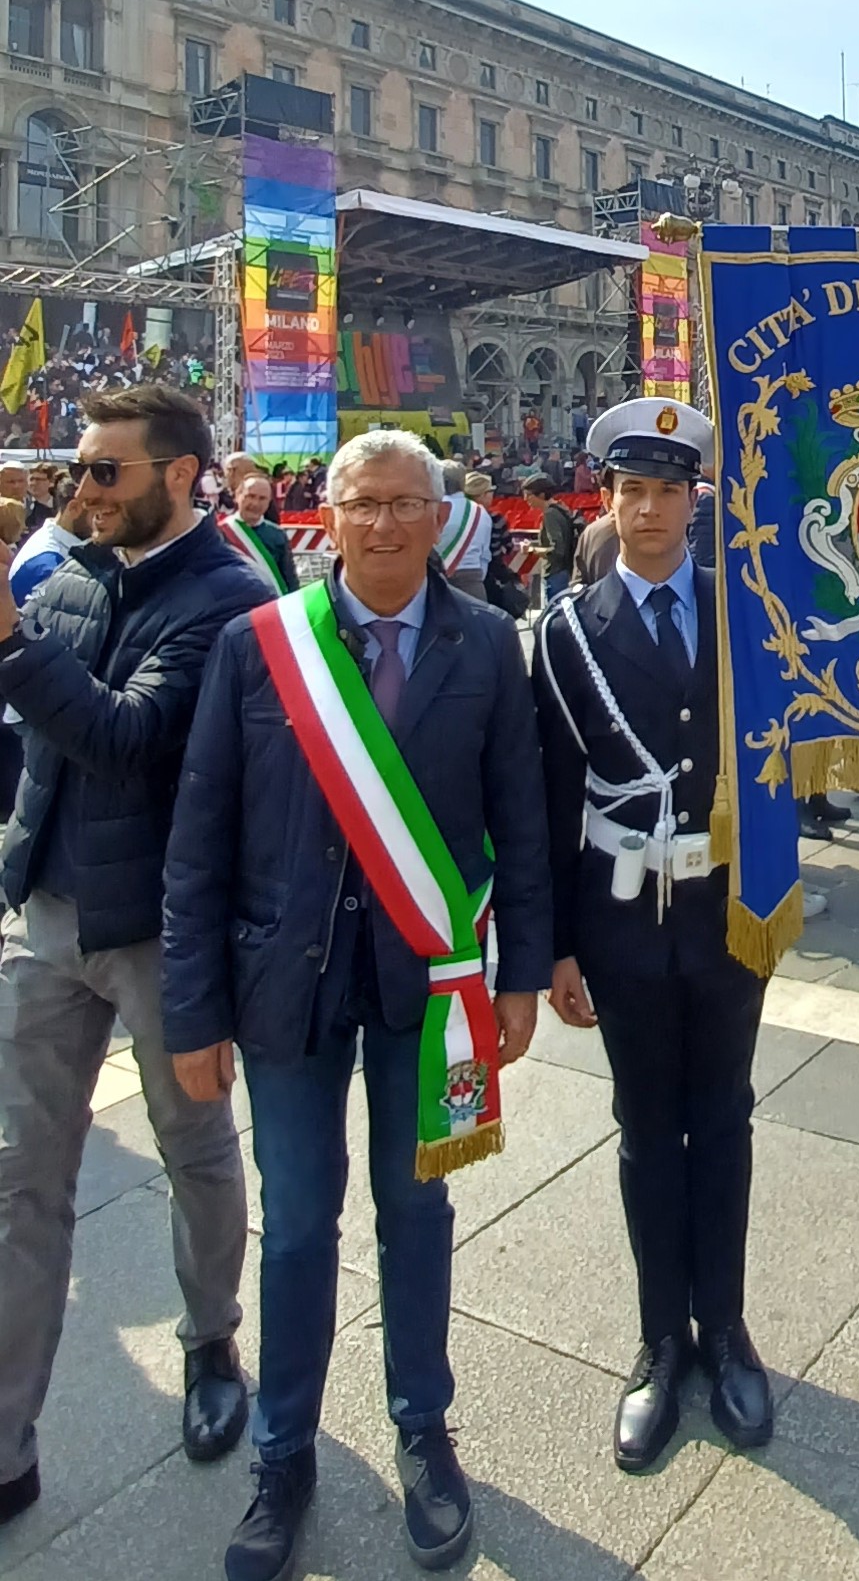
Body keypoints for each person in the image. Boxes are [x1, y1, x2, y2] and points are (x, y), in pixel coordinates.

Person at [165, 429, 552, 1580]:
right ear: (322, 517)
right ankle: (284, 1451)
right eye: (360, 503)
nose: (382, 523)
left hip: (426, 992)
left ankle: (424, 1428)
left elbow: (519, 823)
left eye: (404, 504)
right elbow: (199, 839)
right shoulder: (258, 646)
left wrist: (520, 974)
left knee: (418, 1213)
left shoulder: (488, 645)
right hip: (282, 991)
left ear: (440, 519)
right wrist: (192, 1014)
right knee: (295, 1228)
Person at [0, 386, 267, 1530]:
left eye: (105, 471)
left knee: (196, 1146)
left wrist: (11, 645)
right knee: (20, 1178)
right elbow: (33, 746)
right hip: (51, 916)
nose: (79, 491)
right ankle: (8, 1429)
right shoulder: (67, 576)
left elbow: (124, 735)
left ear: (182, 474)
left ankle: (212, 1340)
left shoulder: (232, 600)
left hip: (162, 932)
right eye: (76, 471)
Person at [535, 396, 775, 1475]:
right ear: (609, 498)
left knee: (723, 1118)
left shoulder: (745, 608)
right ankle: (658, 1342)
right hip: (622, 917)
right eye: (631, 490)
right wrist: (552, 946)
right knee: (645, 1129)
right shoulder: (566, 630)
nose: (648, 509)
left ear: (695, 499)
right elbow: (545, 794)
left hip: (725, 914)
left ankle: (724, 1329)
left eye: (668, 489)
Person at [8, 476, 88, 605]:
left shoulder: (60, 549)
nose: (104, 518)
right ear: (73, 508)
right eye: (98, 509)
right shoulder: (49, 565)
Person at [218, 472, 299, 596]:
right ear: (237, 496)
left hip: (268, 606)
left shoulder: (277, 535)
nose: (255, 504)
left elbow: (290, 581)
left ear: (269, 502)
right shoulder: (220, 533)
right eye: (250, 496)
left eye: (262, 498)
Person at [432, 459, 493, 601]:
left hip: (434, 581)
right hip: (472, 583)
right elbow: (485, 556)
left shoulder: (430, 509)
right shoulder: (480, 511)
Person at [526, 475, 578, 604]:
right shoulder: (560, 509)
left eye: (529, 495)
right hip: (564, 573)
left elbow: (557, 550)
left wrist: (532, 550)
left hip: (556, 574)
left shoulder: (550, 515)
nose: (525, 499)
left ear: (542, 495)